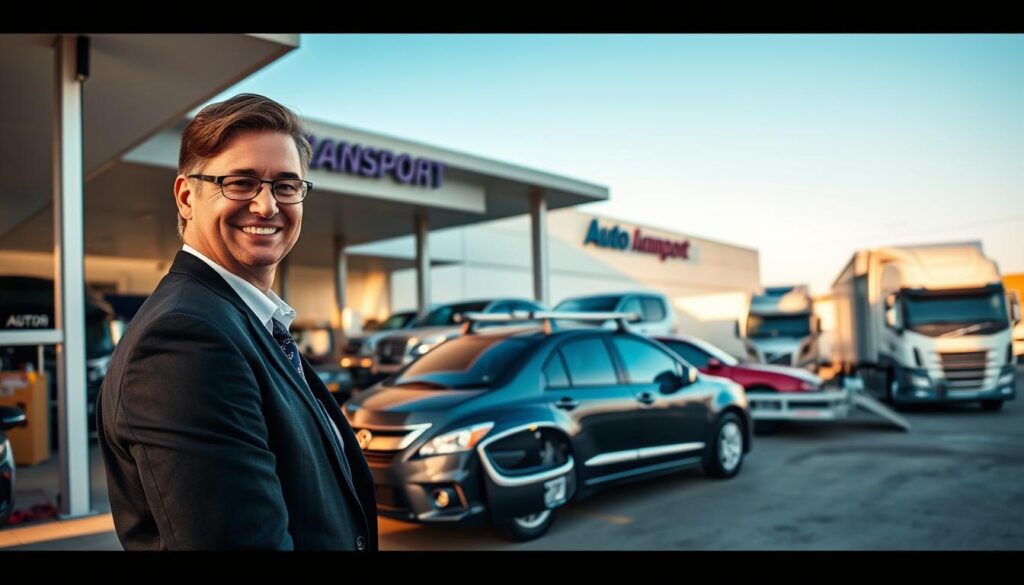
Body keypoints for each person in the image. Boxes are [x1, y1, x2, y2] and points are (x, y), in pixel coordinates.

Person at [96, 94, 377, 550]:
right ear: (186, 197)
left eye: (286, 185)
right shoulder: (185, 340)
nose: (267, 206)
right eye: (241, 183)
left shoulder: (246, 322)